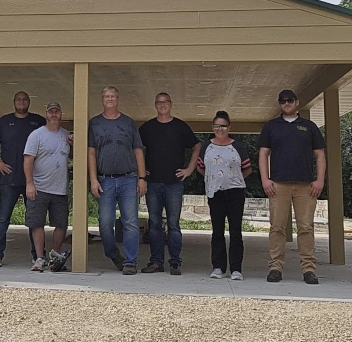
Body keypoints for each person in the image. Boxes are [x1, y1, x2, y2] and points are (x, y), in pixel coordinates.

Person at [258, 89, 326, 285]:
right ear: (279, 104)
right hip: (278, 184)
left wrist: (319, 180)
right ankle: (275, 268)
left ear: (297, 102)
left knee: (306, 227)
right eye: (282, 101)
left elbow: (320, 155)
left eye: (289, 100)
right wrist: (265, 179)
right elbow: (263, 154)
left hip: (306, 186)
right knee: (277, 227)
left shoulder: (309, 127)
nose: (286, 103)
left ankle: (309, 269)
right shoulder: (271, 127)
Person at [138, 92, 201, 276]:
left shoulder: (180, 127)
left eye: (166, 102)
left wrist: (190, 169)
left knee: (174, 224)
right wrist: (140, 171)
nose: (163, 105)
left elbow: (197, 146)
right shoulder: (147, 128)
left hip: (174, 183)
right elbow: (135, 148)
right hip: (153, 183)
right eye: (159, 102)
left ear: (171, 104)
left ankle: (175, 262)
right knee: (155, 224)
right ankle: (156, 262)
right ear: (155, 105)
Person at [88, 86, 147, 275]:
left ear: (118, 99)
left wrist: (142, 177)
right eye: (106, 96)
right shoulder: (95, 123)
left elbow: (138, 150)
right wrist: (93, 179)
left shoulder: (128, 123)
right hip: (105, 180)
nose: (110, 99)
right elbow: (91, 152)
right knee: (105, 222)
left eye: (113, 96)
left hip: (129, 179)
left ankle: (130, 261)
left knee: (130, 221)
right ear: (102, 99)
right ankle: (113, 254)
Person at [0, 92, 46, 267]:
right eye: (18, 99)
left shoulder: (38, 121)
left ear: (29, 102)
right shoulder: (4, 122)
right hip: (9, 178)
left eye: (25, 99)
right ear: (13, 102)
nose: (21, 102)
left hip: (32, 180)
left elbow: (50, 136)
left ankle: (38, 255)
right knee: (3, 218)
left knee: (35, 219)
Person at [197, 111, 252, 281]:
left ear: (229, 127)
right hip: (215, 192)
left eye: (223, 126)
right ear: (212, 127)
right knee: (217, 231)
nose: (220, 129)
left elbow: (247, 168)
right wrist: (212, 178)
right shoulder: (206, 146)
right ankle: (218, 267)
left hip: (235, 192)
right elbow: (200, 167)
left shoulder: (238, 147)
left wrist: (234, 180)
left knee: (235, 231)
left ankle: (236, 268)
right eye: (216, 126)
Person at [23, 102, 71, 271]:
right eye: (51, 112)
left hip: (60, 189)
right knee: (37, 223)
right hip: (39, 187)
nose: (54, 115)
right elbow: (28, 160)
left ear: (61, 114)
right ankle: (40, 258)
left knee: (62, 224)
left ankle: (55, 257)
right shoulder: (36, 135)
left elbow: (80, 156)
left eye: (57, 112)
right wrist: (29, 183)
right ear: (46, 114)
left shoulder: (67, 136)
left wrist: (74, 143)